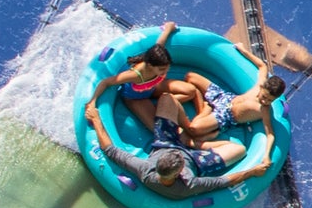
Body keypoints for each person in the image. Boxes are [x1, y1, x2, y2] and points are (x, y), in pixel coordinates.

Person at [93, 26, 287, 194]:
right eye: (264, 94)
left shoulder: (146, 170)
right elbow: (223, 182)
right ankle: (194, 139)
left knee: (177, 96)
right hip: (214, 119)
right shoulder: (190, 183)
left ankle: (193, 130)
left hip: (167, 141)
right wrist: (255, 169)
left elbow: (112, 151)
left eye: (268, 99)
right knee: (239, 148)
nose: (263, 99)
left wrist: (95, 117)